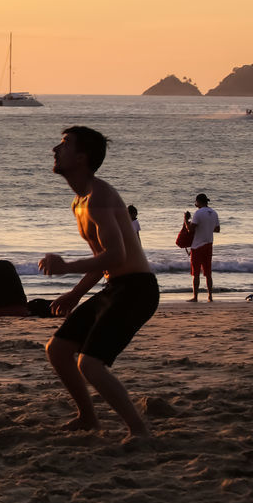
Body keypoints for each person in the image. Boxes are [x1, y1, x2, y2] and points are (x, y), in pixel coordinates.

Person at [39, 126, 158, 441]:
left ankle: (139, 431)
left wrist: (66, 267)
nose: (55, 149)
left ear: (82, 157)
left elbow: (117, 255)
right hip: (116, 289)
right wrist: (75, 294)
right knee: (58, 349)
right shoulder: (80, 201)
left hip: (137, 290)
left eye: (64, 145)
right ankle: (88, 418)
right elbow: (103, 258)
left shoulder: (99, 198)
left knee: (89, 363)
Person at [184, 194, 220, 302]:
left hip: (197, 246)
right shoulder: (214, 213)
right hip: (209, 245)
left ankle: (195, 297)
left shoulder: (198, 213)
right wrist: (207, 229)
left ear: (199, 202)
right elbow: (217, 229)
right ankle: (210, 296)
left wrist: (185, 220)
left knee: (196, 273)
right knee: (208, 273)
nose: (195, 204)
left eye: (196, 202)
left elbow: (190, 229)